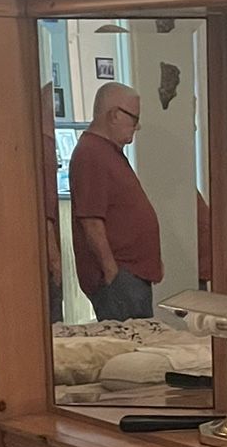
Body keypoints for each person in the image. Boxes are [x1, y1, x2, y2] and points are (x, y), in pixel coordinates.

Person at [68, 81, 163, 320]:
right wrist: (112, 272)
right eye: (134, 117)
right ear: (114, 115)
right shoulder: (91, 153)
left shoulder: (107, 151)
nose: (137, 125)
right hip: (120, 278)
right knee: (128, 352)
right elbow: (91, 221)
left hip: (130, 275)